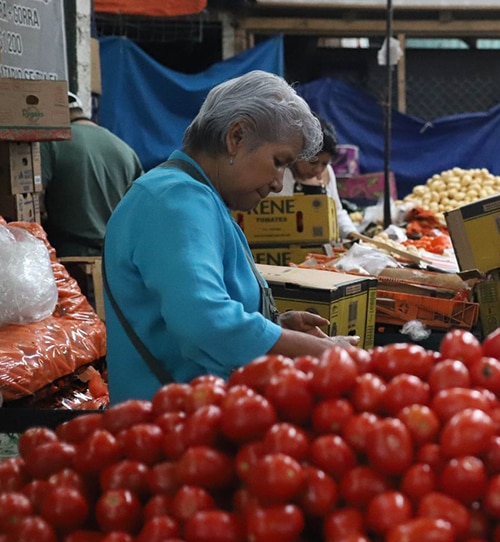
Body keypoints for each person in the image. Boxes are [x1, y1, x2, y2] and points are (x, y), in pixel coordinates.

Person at [103, 70, 349, 402]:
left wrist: (277, 328)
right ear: (237, 137)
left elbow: (189, 310)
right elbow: (205, 322)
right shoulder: (176, 201)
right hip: (170, 430)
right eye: (279, 162)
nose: (279, 183)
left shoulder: (197, 197)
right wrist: (321, 350)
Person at [40, 93, 143, 258]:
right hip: (116, 259)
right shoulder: (124, 149)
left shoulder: (51, 142)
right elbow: (140, 209)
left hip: (71, 260)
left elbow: (35, 202)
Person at [271, 115, 366, 241]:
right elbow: (282, 220)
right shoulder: (283, 176)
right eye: (313, 162)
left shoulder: (328, 172)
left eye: (324, 163)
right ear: (298, 155)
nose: (318, 170)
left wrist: (353, 235)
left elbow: (336, 212)